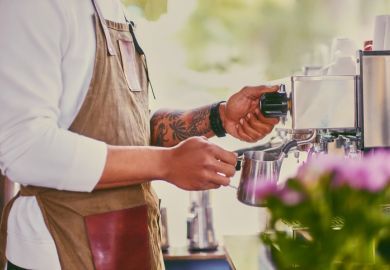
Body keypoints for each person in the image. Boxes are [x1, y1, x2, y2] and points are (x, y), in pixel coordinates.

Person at [0, 0, 279, 269]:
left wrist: (219, 118)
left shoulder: (113, 9)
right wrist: (167, 164)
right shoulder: (35, 5)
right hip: (59, 247)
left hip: (127, 243)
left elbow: (128, 133)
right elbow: (25, 148)